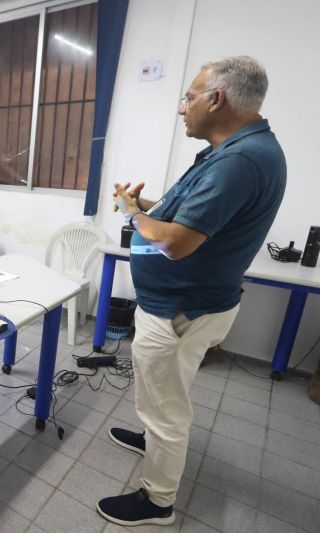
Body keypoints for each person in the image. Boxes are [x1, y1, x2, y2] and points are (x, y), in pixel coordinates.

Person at [98, 56, 286, 526]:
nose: (183, 108)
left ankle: (158, 500)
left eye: (188, 97)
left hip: (181, 308)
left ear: (216, 98)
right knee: (164, 393)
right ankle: (151, 440)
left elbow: (178, 242)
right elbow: (184, 213)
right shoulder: (235, 151)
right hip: (184, 303)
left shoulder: (240, 160)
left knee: (166, 407)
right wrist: (142, 204)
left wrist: (130, 215)